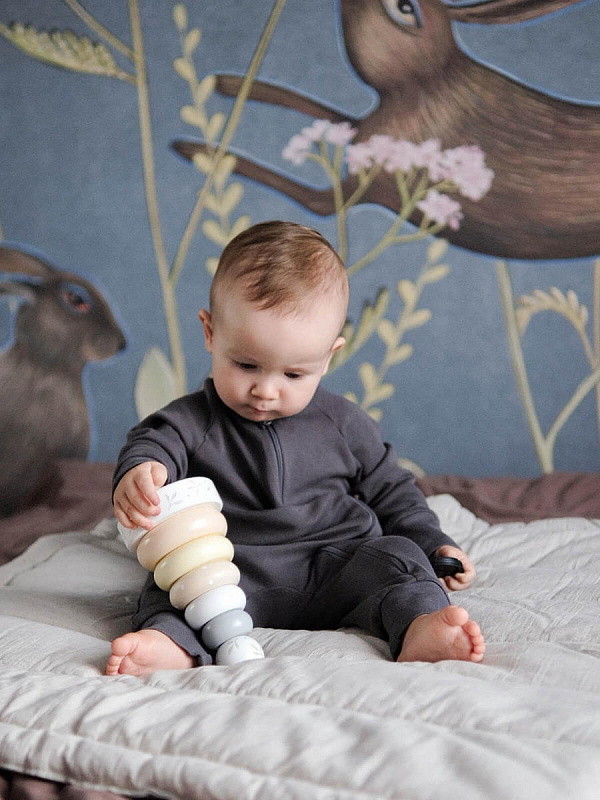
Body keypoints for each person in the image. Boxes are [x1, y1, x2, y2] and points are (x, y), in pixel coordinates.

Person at [106, 220, 485, 676]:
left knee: (400, 559)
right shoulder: (192, 421)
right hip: (232, 569)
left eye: (293, 374)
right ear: (210, 333)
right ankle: (171, 643)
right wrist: (142, 471)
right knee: (173, 584)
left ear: (328, 357)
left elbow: (393, 491)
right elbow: (153, 442)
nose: (266, 391)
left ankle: (420, 628)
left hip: (335, 563)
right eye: (246, 365)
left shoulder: (343, 423)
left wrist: (433, 543)